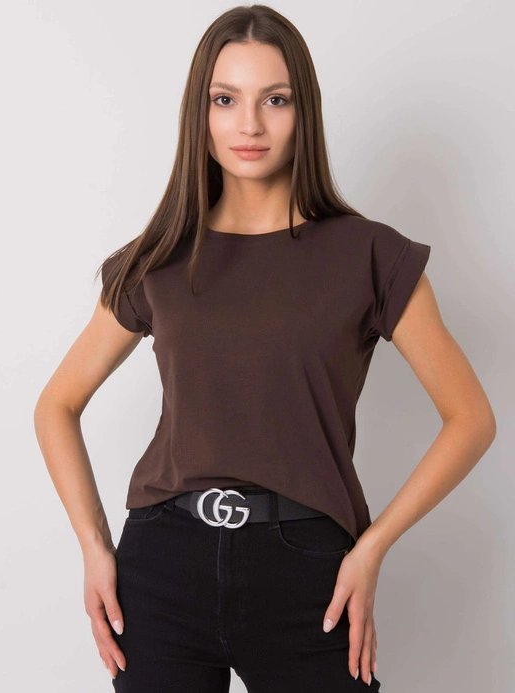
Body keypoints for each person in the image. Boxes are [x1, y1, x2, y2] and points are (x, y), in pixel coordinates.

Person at [34, 5, 496, 692]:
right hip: (161, 564)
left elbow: (471, 418)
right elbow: (56, 404)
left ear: (303, 111)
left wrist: (372, 548)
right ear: (200, 113)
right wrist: (95, 547)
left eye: (274, 100)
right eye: (225, 100)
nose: (249, 124)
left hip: (309, 572)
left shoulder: (370, 255)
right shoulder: (158, 259)